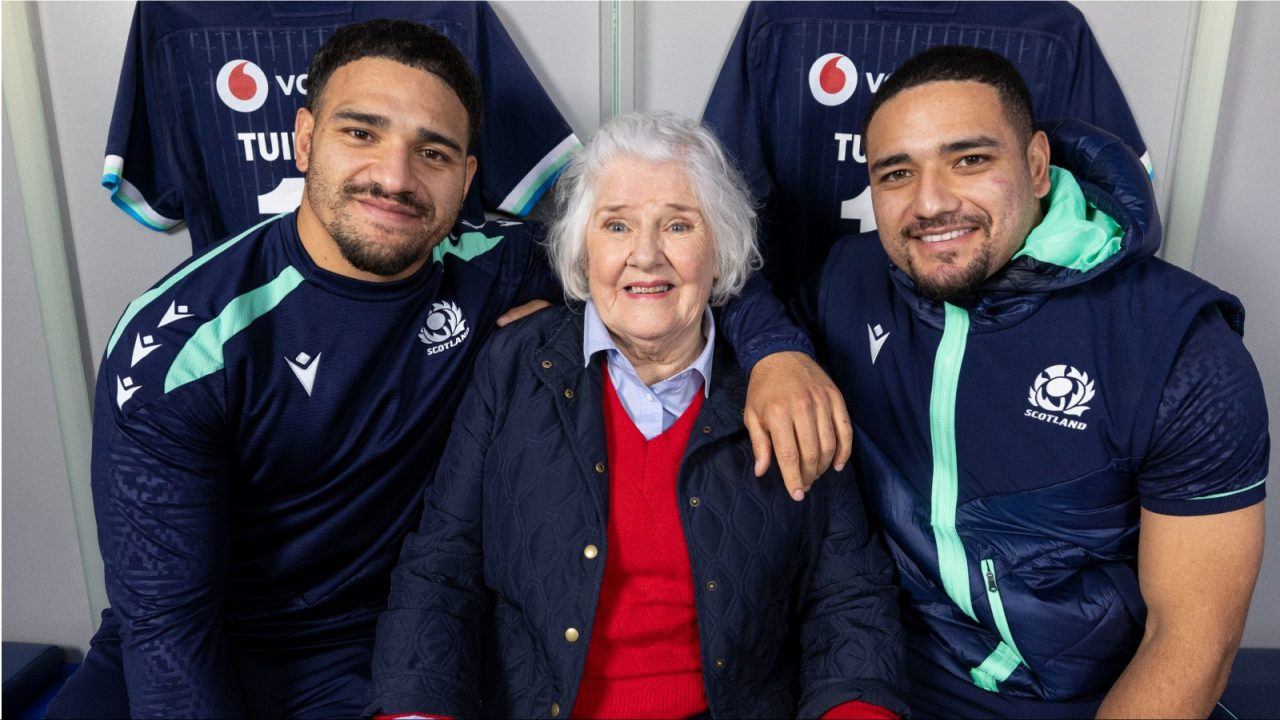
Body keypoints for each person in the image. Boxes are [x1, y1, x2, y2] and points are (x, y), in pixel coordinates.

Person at [49, 21, 852, 719]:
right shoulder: (182, 343)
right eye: (359, 133)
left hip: (375, 639)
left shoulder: (495, 259)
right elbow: (166, 628)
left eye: (431, 152)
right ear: (303, 139)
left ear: (467, 178)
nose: (395, 178)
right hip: (192, 638)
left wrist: (778, 350)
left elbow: (666, 265)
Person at [367, 112, 906, 720]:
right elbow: (440, 567)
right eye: (616, 225)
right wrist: (415, 710)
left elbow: (848, 596)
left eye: (678, 224)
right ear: (582, 248)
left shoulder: (785, 383)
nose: (645, 256)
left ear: (721, 250)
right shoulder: (514, 363)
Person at [799, 46, 1268, 718]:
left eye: (970, 160)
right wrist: (774, 357)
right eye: (897, 173)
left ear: (1039, 165)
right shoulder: (847, 282)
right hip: (881, 680)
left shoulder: (1180, 348)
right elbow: (725, 308)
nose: (931, 202)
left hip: (1084, 701)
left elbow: (1192, 640)